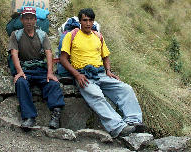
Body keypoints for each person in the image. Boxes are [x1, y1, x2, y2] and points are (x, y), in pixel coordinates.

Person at [59, 8, 145, 138]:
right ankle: (118, 127)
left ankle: (134, 121)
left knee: (125, 89)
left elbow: (105, 56)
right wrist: (76, 75)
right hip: (83, 75)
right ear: (80, 21)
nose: (88, 23)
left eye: (91, 20)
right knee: (97, 95)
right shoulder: (71, 35)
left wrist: (108, 71)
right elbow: (63, 59)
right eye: (85, 20)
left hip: (100, 74)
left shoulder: (98, 36)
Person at [7, 6, 65, 130]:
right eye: (26, 18)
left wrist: (50, 72)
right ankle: (29, 117)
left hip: (39, 68)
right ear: (22, 20)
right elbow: (14, 54)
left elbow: (48, 53)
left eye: (31, 18)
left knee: (53, 84)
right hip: (25, 69)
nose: (29, 21)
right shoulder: (15, 35)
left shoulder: (42, 34)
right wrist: (19, 72)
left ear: (35, 20)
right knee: (21, 83)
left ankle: (55, 115)